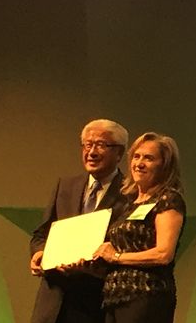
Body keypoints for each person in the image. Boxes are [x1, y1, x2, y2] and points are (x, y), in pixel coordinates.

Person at [30, 119, 131, 323]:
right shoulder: (66, 186)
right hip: (54, 300)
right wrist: (40, 254)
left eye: (101, 145)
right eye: (87, 144)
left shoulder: (130, 192)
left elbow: (130, 248)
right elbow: (41, 234)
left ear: (119, 153)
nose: (91, 152)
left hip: (95, 303)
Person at [92, 132, 186, 323]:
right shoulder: (130, 204)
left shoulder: (168, 199)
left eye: (149, 158)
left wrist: (117, 257)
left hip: (146, 295)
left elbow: (163, 254)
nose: (139, 163)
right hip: (114, 297)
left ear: (164, 165)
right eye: (136, 156)